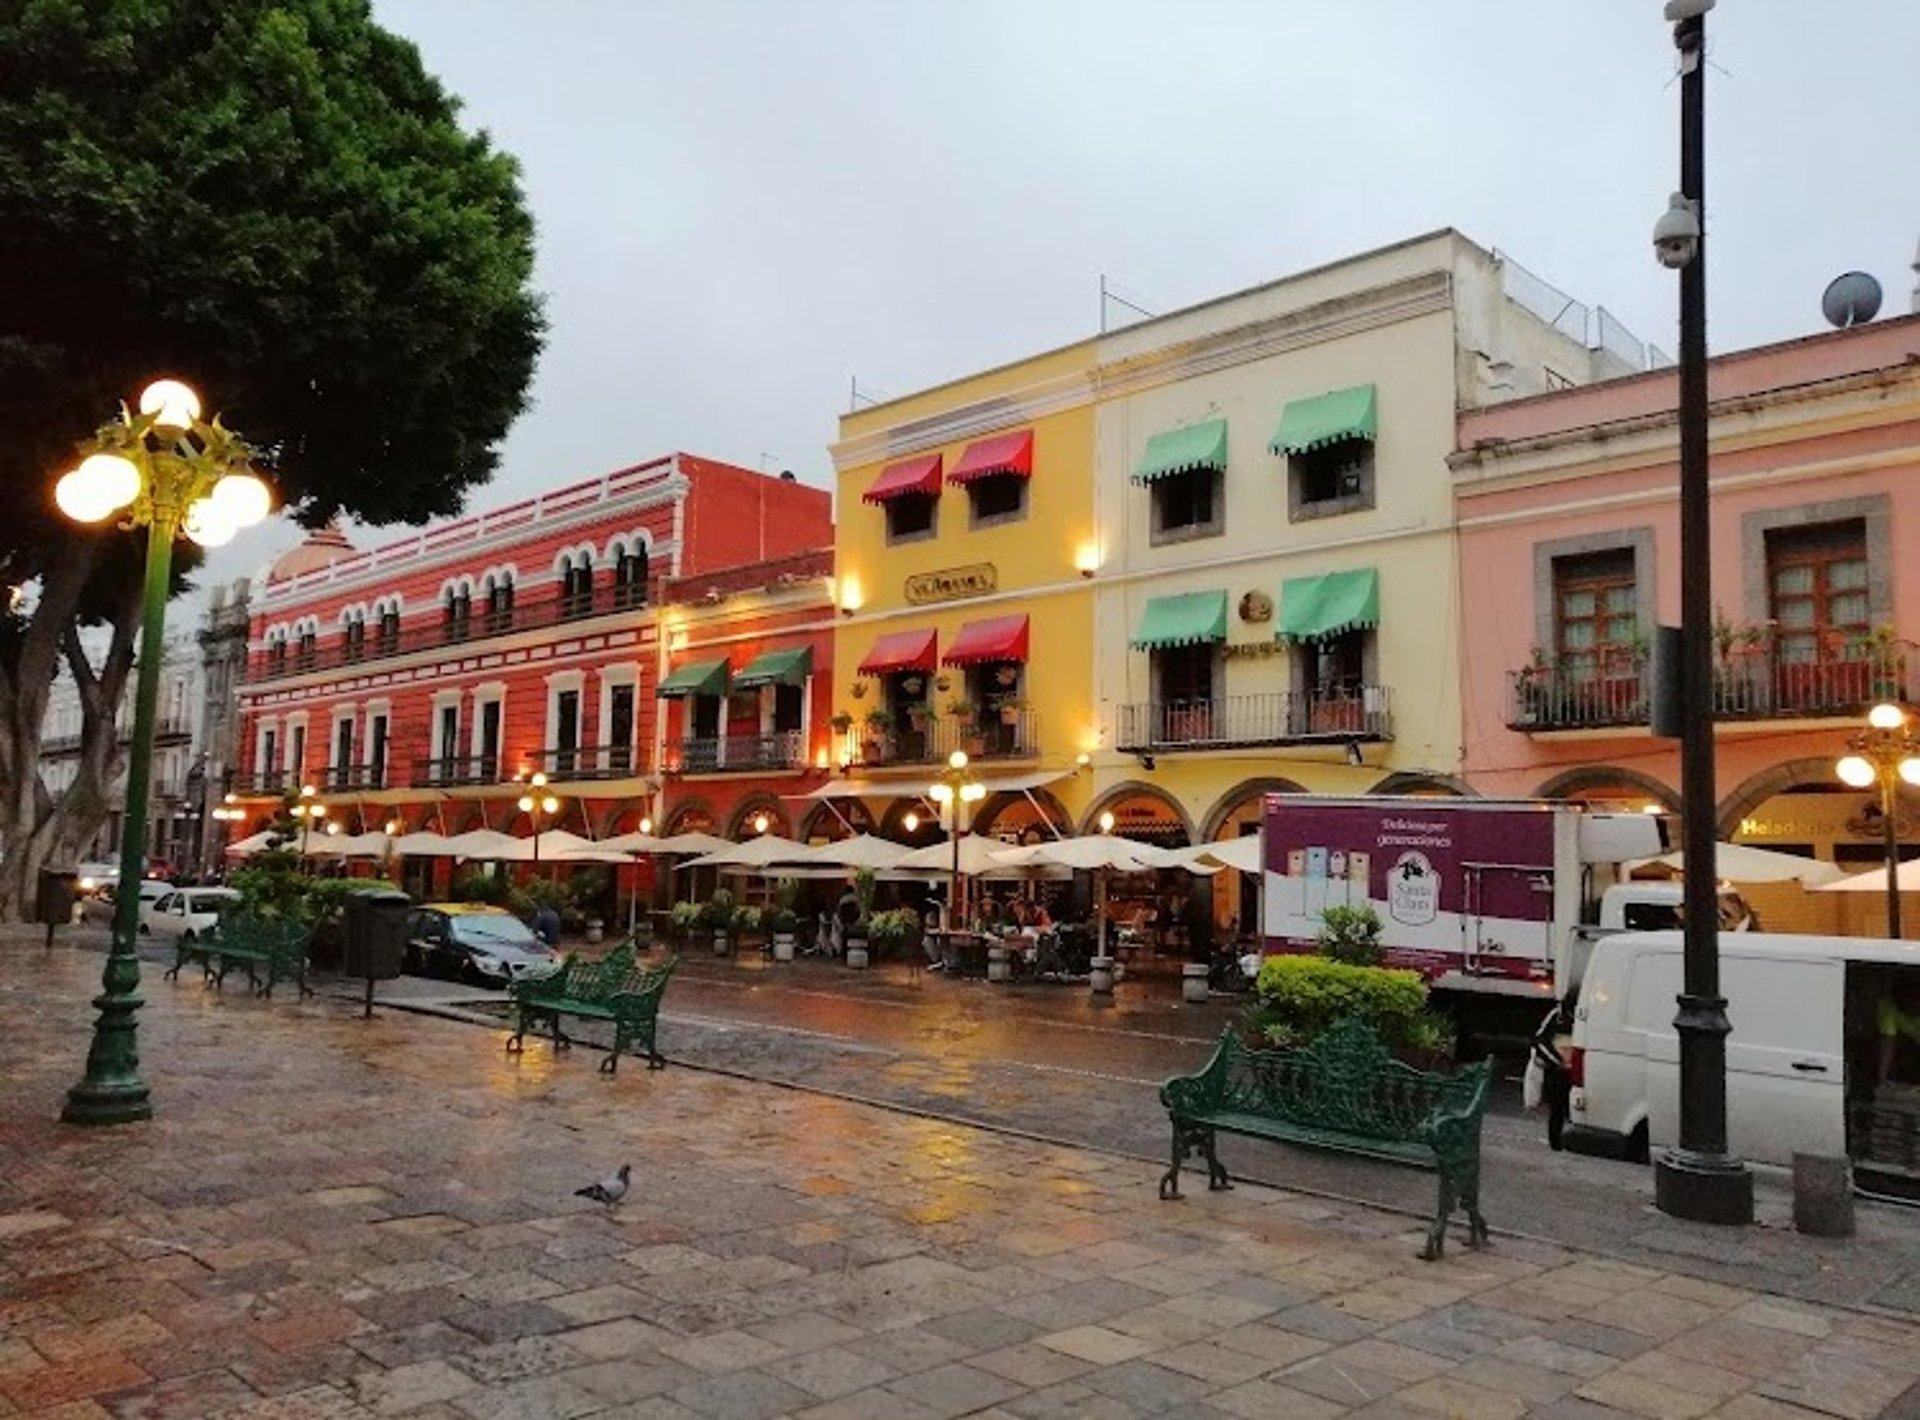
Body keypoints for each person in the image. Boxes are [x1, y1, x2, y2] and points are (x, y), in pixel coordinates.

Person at [1529, 990, 1579, 1150]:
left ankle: (1570, 1141)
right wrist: (1555, 1060)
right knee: (1557, 1109)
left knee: (1571, 1108)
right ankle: (1556, 1144)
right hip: (1557, 1070)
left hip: (1575, 1068)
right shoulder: (1557, 1015)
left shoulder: (1585, 1018)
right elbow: (1539, 1039)